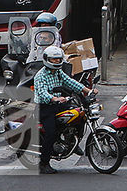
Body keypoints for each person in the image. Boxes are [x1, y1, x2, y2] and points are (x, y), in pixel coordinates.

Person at [33, 45, 92, 175]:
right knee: (51, 133)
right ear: (47, 60)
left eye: (59, 59)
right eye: (54, 60)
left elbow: (70, 82)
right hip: (45, 107)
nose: (57, 62)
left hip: (59, 103)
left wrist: (87, 90)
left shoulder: (58, 72)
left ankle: (72, 142)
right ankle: (43, 163)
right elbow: (42, 93)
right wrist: (53, 98)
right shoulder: (40, 76)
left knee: (79, 113)